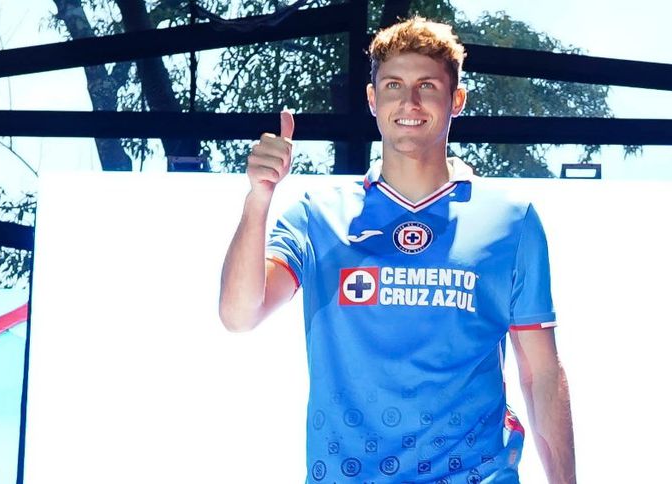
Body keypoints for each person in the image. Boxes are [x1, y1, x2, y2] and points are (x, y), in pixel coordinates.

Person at [220, 16, 575, 484]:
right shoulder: (317, 216)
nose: (409, 103)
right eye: (393, 86)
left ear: (456, 100)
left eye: (427, 86)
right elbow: (239, 314)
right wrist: (259, 197)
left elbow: (540, 374)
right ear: (372, 99)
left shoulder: (511, 221)